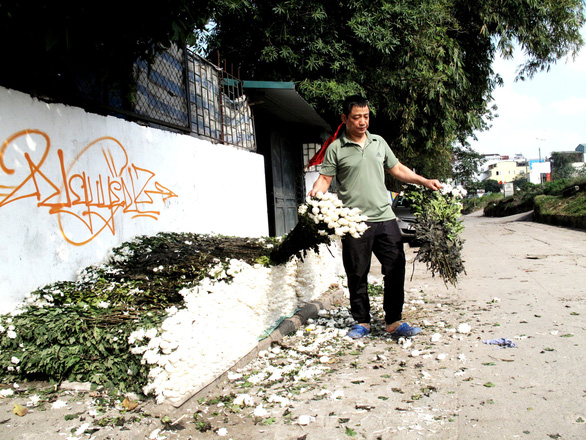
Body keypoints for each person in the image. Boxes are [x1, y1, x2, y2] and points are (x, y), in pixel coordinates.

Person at [308, 95, 441, 339]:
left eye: (366, 116)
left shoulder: (379, 142)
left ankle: (393, 321)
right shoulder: (336, 148)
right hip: (354, 222)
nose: (362, 122)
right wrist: (316, 193)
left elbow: (398, 169)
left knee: (396, 267)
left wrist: (424, 180)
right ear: (345, 118)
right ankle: (362, 322)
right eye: (357, 117)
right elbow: (325, 178)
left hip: (385, 217)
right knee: (357, 273)